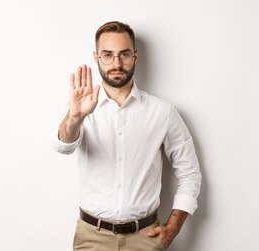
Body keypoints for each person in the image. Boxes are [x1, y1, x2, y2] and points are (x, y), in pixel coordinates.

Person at [52, 21, 202, 251]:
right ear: (96, 57)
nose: (116, 63)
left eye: (124, 54)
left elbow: (189, 172)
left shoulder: (162, 111)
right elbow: (63, 146)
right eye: (107, 55)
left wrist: (173, 228)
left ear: (135, 55)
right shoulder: (81, 109)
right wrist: (74, 117)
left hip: (145, 237)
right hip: (92, 238)